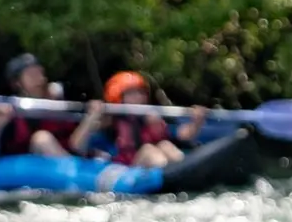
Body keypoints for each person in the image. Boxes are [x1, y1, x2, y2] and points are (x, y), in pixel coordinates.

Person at [73, 71, 207, 169]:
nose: (139, 97)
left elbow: (182, 134)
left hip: (153, 164)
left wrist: (197, 122)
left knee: (165, 145)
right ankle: (173, 175)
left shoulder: (151, 117)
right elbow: (77, 145)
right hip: (124, 169)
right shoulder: (109, 122)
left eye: (141, 92)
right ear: (118, 97)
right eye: (132, 93)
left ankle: (185, 172)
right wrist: (91, 116)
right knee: (148, 150)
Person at [0, 54, 84, 160]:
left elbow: (75, 144)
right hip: (29, 167)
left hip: (64, 159)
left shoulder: (57, 104)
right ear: (18, 83)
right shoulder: (11, 111)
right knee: (41, 139)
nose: (40, 79)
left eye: (41, 73)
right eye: (32, 75)